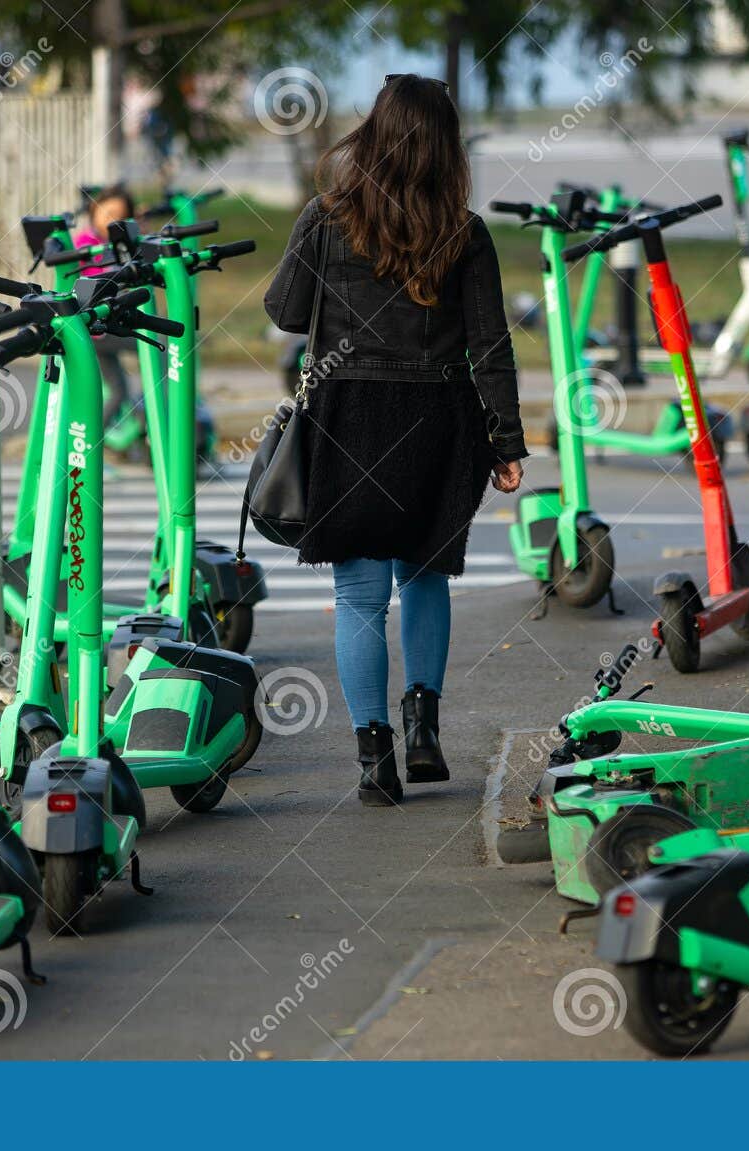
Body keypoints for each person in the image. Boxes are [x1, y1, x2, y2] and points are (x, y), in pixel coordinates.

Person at [263, 74, 527, 808]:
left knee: (358, 595)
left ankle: (373, 757)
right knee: (425, 576)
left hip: (349, 416)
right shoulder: (464, 233)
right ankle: (423, 730)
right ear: (446, 146)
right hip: (439, 418)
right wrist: (506, 441)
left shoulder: (327, 217)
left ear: (371, 138)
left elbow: (286, 312)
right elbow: (490, 345)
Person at [72, 185, 137, 419]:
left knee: (118, 393)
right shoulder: (87, 243)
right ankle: (159, 409)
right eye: (108, 213)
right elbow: (90, 279)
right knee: (160, 346)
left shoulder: (124, 246)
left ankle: (96, 439)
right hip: (98, 327)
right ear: (94, 212)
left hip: (109, 324)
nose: (113, 221)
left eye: (120, 217)